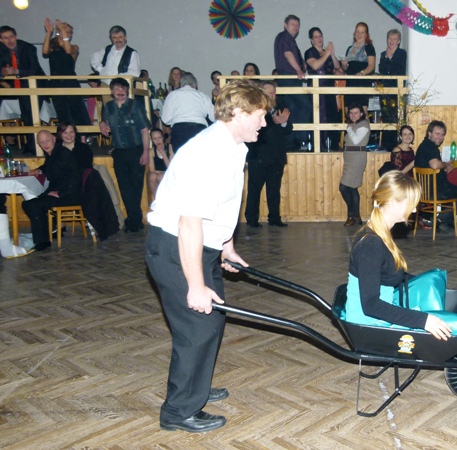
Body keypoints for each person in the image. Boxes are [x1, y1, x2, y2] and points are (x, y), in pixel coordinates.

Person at [146, 80, 272, 434]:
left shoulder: (235, 146)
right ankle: (178, 411)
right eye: (260, 116)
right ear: (239, 114)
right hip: (176, 247)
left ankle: (195, 387)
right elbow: (188, 223)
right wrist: (195, 285)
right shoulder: (206, 153)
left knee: (212, 322)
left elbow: (225, 204)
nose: (264, 123)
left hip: (203, 246)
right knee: (196, 328)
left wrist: (226, 246)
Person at [345, 171, 451, 340]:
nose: (414, 209)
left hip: (375, 317)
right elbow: (371, 305)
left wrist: (428, 282)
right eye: (411, 203)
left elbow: (388, 274)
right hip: (367, 325)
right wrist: (423, 321)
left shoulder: (379, 233)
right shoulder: (370, 245)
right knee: (450, 327)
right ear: (393, 203)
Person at [99, 77, 151, 233]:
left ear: (127, 90)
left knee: (136, 187)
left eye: (123, 89)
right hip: (119, 152)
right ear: (112, 92)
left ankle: (134, 221)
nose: (120, 92)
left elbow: (144, 130)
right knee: (124, 188)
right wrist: (102, 123)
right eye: (117, 89)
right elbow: (104, 120)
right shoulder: (108, 107)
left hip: (136, 151)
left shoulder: (136, 106)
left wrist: (146, 152)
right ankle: (134, 220)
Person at [22, 130, 83, 252]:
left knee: (33, 204)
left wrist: (60, 193)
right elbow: (48, 166)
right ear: (39, 144)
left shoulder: (63, 154)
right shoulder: (53, 153)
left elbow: (76, 178)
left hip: (69, 195)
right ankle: (50, 230)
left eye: (47, 140)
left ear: (54, 139)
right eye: (42, 142)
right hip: (58, 191)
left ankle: (43, 241)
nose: (45, 144)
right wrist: (39, 170)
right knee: (28, 203)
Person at [245, 81, 292, 228]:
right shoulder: (254, 109)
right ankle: (251, 219)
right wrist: (274, 121)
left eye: (273, 92)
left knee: (274, 190)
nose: (272, 95)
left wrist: (284, 122)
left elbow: (288, 130)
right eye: (269, 92)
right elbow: (257, 129)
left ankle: (274, 218)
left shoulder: (280, 108)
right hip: (258, 156)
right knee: (254, 189)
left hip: (276, 156)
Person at [413, 120, 457, 232]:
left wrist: (444, 165)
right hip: (434, 191)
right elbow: (434, 165)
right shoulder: (430, 147)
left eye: (442, 134)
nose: (440, 137)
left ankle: (446, 223)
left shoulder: (424, 146)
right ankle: (440, 220)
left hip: (424, 190)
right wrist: (446, 165)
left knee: (454, 194)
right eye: (437, 133)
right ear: (429, 133)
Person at [0, 25, 46, 154]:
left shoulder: (28, 48)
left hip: (35, 85)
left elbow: (34, 69)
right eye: (5, 38)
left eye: (11, 37)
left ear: (16, 36)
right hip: (19, 87)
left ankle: (35, 147)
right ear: (1, 40)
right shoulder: (1, 50)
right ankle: (31, 145)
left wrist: (17, 71)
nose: (9, 41)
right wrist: (3, 72)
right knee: (26, 117)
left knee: (32, 116)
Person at [42, 18, 91, 128]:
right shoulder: (53, 48)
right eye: (65, 31)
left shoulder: (74, 47)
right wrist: (49, 32)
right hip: (56, 84)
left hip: (70, 83)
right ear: (58, 32)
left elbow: (68, 50)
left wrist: (63, 31)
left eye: (69, 32)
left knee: (76, 112)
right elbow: (44, 52)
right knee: (63, 114)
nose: (68, 33)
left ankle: (82, 136)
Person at [274, 14, 311, 148]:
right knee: (306, 105)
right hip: (289, 78)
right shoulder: (285, 37)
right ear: (285, 25)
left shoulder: (288, 39)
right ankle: (301, 139)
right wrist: (299, 70)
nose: (296, 27)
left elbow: (293, 57)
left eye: (297, 25)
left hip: (289, 78)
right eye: (293, 24)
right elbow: (288, 54)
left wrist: (303, 66)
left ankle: (290, 143)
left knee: (292, 109)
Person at [160, 72, 215, 152]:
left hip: (179, 130)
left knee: (181, 157)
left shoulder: (173, 95)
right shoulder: (203, 96)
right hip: (199, 128)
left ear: (181, 84)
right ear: (195, 85)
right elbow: (213, 117)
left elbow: (165, 119)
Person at [304, 26, 340, 146]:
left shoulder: (326, 52)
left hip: (329, 87)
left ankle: (332, 144)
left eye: (320, 36)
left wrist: (332, 54)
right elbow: (315, 65)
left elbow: (337, 66)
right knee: (319, 116)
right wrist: (327, 54)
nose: (319, 39)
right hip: (317, 89)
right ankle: (320, 145)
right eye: (316, 37)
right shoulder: (309, 52)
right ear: (311, 40)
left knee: (331, 115)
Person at [340, 103, 370, 226]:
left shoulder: (364, 124)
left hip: (357, 159)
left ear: (361, 113)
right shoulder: (355, 125)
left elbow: (356, 140)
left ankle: (353, 215)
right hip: (351, 158)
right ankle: (354, 217)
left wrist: (348, 129)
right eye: (351, 113)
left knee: (344, 187)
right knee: (351, 188)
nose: (353, 115)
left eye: (356, 113)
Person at [378, 29, 406, 146]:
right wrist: (386, 58)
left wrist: (389, 59)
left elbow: (398, 70)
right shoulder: (382, 54)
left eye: (394, 39)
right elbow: (382, 71)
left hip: (396, 91)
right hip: (385, 91)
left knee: (395, 118)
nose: (392, 41)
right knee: (386, 117)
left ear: (398, 41)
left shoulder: (401, 54)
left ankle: (395, 144)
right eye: (390, 38)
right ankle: (386, 144)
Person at [341, 22, 376, 113]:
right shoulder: (349, 48)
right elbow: (346, 69)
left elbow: (371, 65)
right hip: (350, 83)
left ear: (366, 35)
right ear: (354, 33)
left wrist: (362, 73)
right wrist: (344, 64)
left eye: (362, 32)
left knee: (363, 113)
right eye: (357, 32)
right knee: (348, 113)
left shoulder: (369, 47)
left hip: (362, 83)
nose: (359, 35)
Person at [147, 128, 172, 202]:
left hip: (169, 173)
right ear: (151, 140)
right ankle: (157, 200)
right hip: (157, 174)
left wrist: (163, 153)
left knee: (161, 176)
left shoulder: (170, 147)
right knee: (152, 176)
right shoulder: (151, 151)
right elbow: (152, 170)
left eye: (159, 138)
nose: (157, 141)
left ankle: (167, 200)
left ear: (163, 137)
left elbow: (170, 167)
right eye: (154, 139)